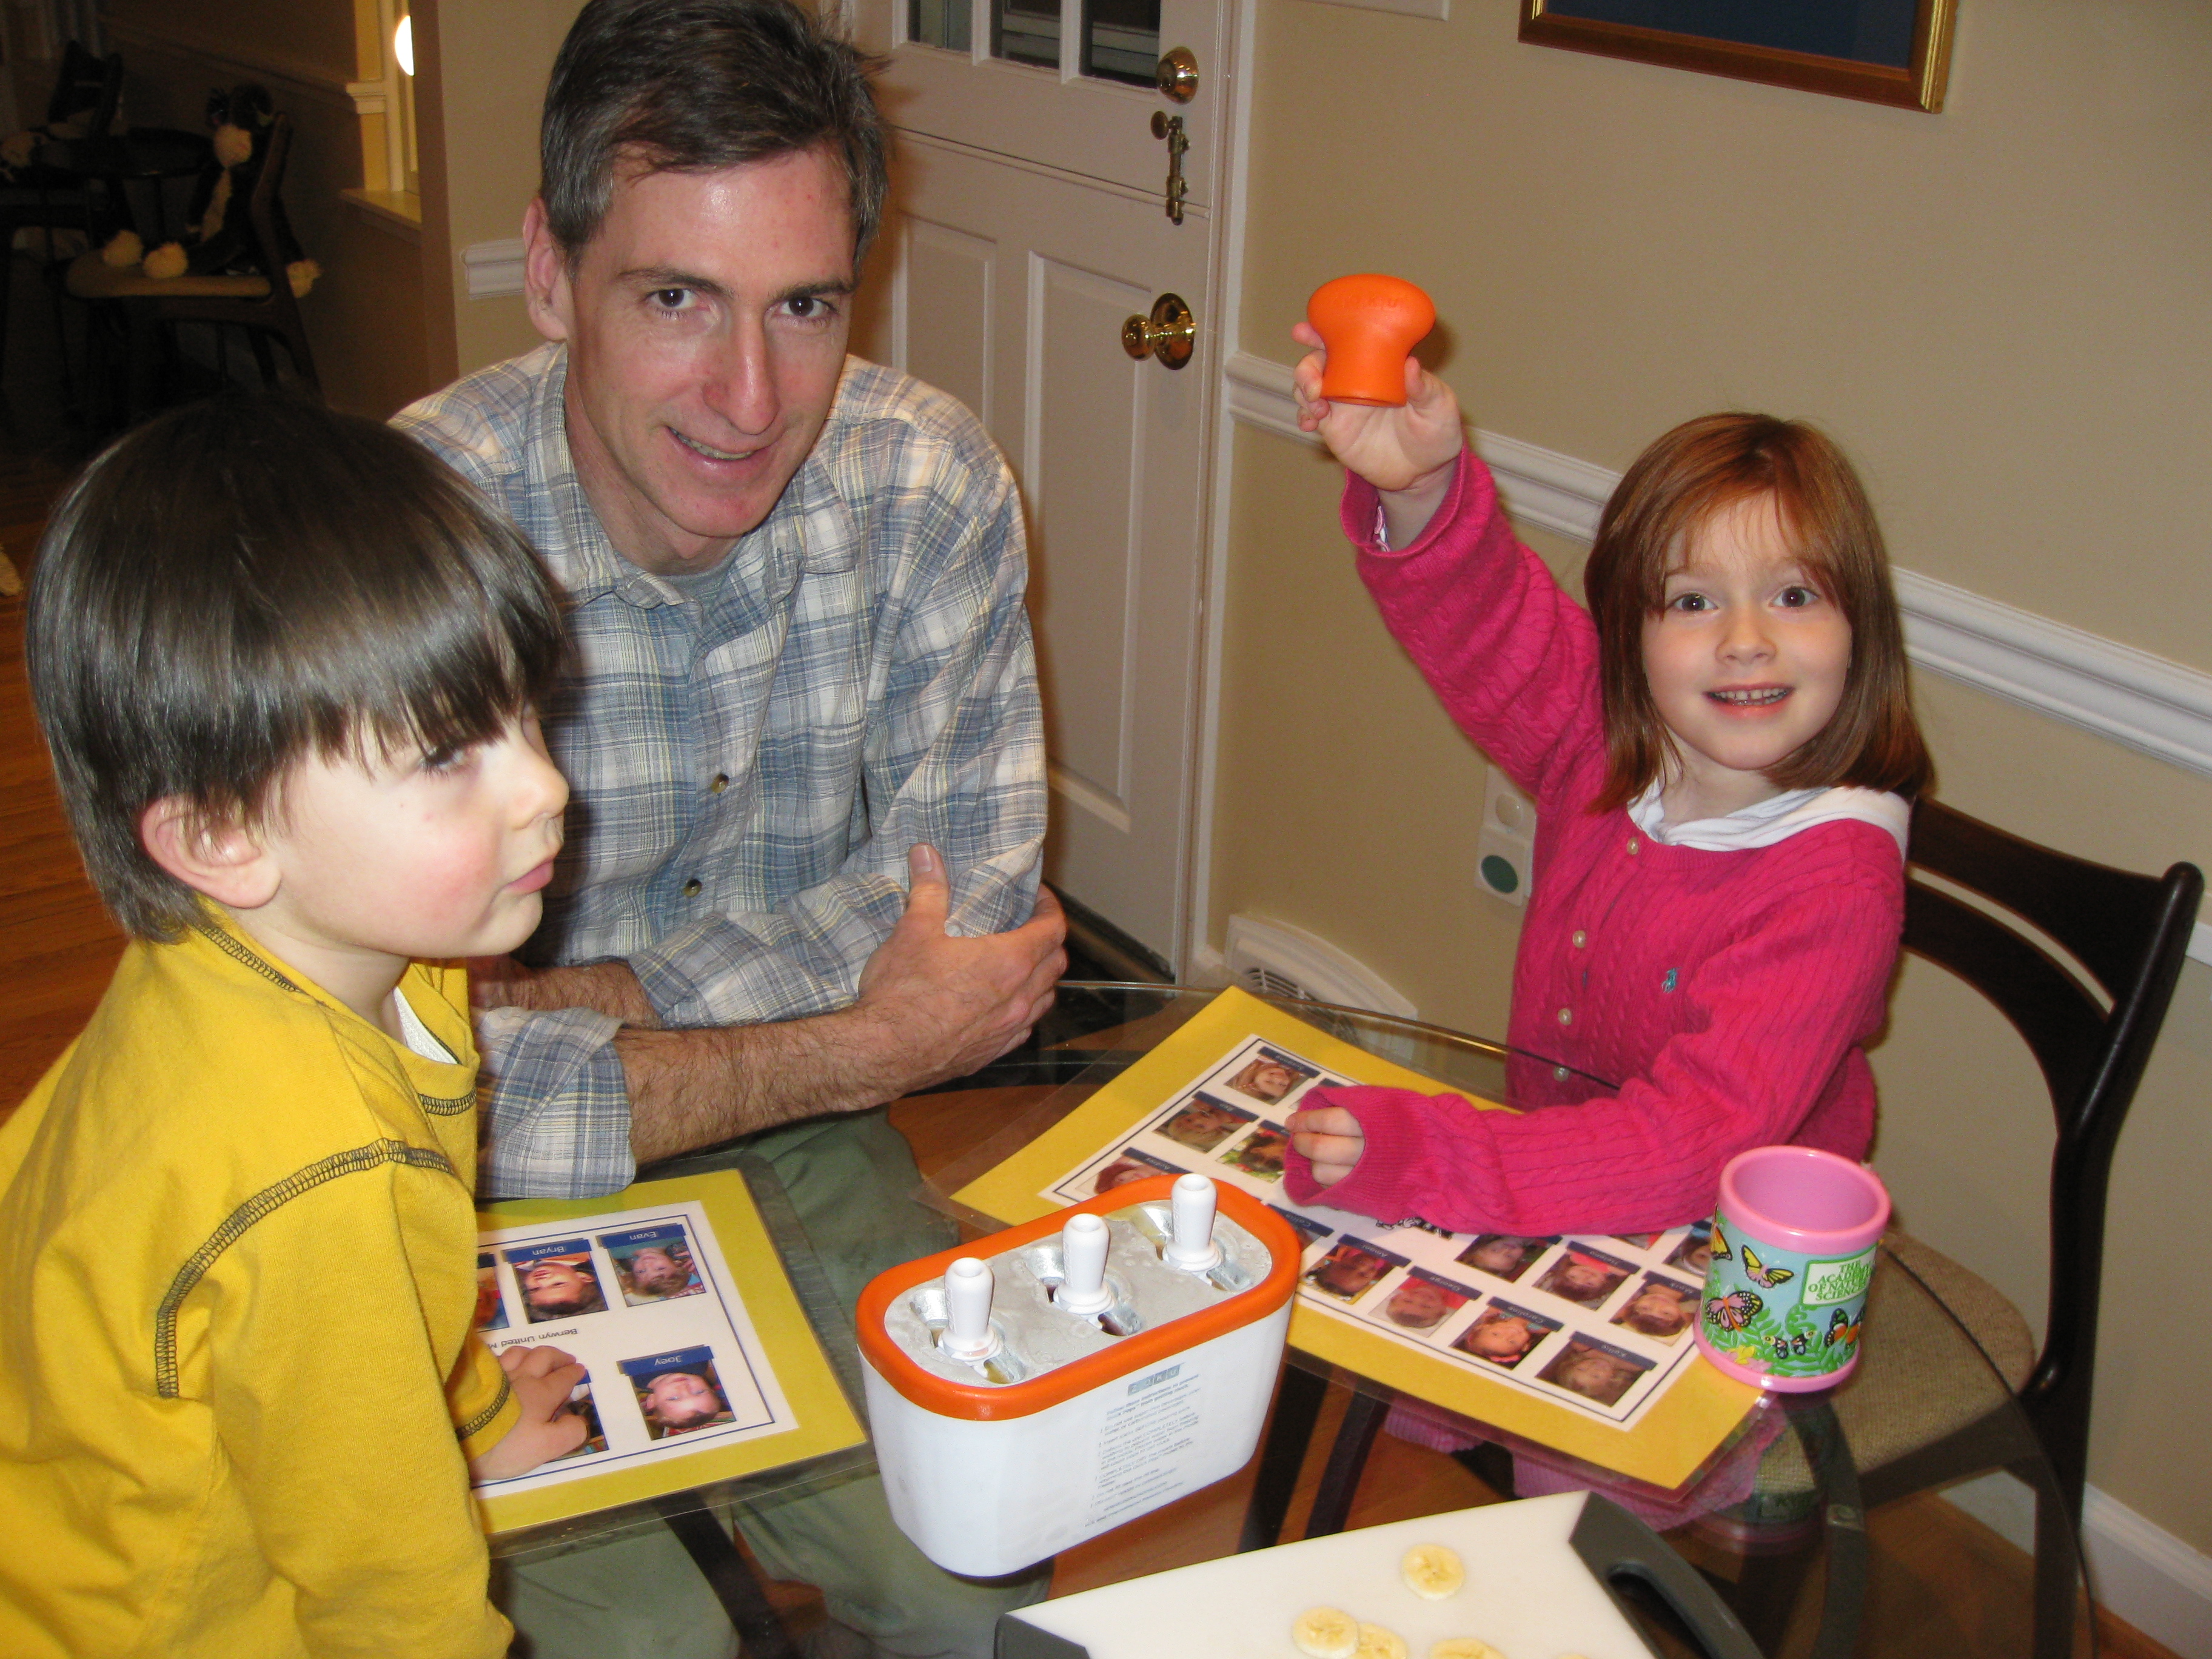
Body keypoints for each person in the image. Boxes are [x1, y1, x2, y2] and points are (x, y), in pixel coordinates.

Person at [392, 2, 1063, 1652]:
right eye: (675, 298)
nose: (750, 395)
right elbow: (391, 1072)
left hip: (787, 1132)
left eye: (805, 306)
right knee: (633, 1640)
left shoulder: (929, 484)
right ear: (551, 273)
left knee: (981, 1571)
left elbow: (967, 926)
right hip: (466, 1188)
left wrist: (576, 1004)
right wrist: (856, 1037)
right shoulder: (410, 541)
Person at [0, 398, 590, 1658]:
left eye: (523, 712)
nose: (545, 782)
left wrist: (470, 1413)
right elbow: (386, 1574)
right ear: (222, 836)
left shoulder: (286, 956)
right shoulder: (315, 1171)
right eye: (448, 753)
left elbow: (382, 1314)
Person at [1284, 337, 1931, 1241]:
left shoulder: (1835, 887)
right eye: (1694, 601)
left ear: (1860, 627)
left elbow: (1690, 1148)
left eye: (1794, 596)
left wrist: (1430, 1154)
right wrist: (1420, 487)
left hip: (1735, 1257)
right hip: (1554, 1194)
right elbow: (1487, 620)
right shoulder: (1602, 740)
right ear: (1629, 639)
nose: (1747, 641)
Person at [520, 1255, 609, 1319]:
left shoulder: (520, 1264)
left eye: (534, 1289)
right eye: (557, 1284)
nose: (541, 1281)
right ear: (584, 1277)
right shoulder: (578, 1254)